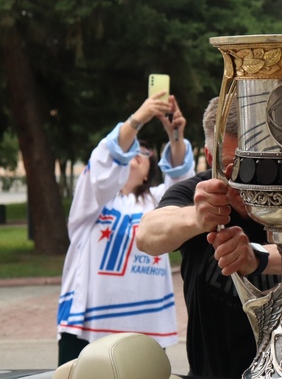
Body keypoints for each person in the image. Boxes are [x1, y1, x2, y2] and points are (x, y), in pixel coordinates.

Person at [136, 95, 282, 378]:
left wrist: (256, 258)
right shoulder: (196, 194)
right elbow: (147, 234)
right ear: (210, 156)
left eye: (255, 163)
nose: (244, 179)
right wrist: (197, 218)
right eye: (231, 166)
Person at [57, 92, 195, 365]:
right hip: (88, 326)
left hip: (146, 326)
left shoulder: (156, 201)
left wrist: (176, 136)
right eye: (130, 149)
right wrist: (139, 118)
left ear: (148, 171)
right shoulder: (94, 199)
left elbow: (182, 188)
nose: (135, 154)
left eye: (143, 152)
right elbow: (101, 165)